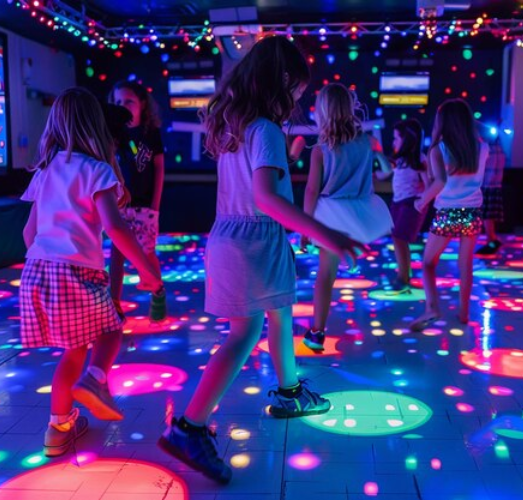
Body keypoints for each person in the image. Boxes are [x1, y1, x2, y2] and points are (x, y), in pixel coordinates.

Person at [158, 36, 364, 484]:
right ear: (283, 82)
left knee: (279, 316)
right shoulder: (267, 130)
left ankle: (290, 392)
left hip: (232, 237)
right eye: (297, 91)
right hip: (254, 240)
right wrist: (324, 231)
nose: (297, 101)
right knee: (246, 332)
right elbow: (266, 198)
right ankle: (189, 427)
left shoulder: (236, 124)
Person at [20, 88, 162, 457]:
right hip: (78, 271)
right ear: (96, 127)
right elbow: (116, 230)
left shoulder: (46, 170)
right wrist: (148, 270)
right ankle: (95, 380)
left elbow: (28, 233)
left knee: (72, 350)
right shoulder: (97, 170)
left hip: (37, 271)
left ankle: (58, 427)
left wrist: (46, 262)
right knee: (112, 329)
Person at [300, 83, 392, 350]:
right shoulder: (366, 143)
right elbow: (382, 174)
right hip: (360, 212)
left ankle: (317, 332)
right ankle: (349, 256)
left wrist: (305, 230)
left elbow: (311, 191)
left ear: (323, 112)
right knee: (338, 266)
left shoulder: (320, 149)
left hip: (330, 216)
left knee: (324, 276)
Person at [409, 99, 488, 331]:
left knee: (427, 263)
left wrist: (421, 201)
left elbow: (439, 181)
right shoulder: (482, 147)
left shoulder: (438, 149)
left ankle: (432, 307)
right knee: (466, 265)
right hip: (472, 213)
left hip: (447, 213)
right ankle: (463, 314)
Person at [108, 81, 166, 321]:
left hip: (144, 206)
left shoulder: (150, 133)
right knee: (117, 255)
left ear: (142, 104)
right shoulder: (114, 135)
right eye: (119, 102)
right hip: (120, 206)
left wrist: (155, 205)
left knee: (147, 251)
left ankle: (157, 291)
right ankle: (114, 306)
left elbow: (159, 168)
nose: (124, 106)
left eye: (129, 101)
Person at [378, 119, 429, 293]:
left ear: (407, 139)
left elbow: (429, 184)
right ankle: (405, 274)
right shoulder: (399, 160)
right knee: (398, 239)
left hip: (412, 203)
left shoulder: (420, 159)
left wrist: (421, 203)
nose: (393, 142)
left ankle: (403, 277)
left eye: (396, 138)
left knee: (400, 238)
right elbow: (383, 174)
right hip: (398, 202)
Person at [476, 135, 506, 255]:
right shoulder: (500, 149)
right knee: (489, 217)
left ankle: (492, 241)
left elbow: (488, 169)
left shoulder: (487, 149)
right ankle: (492, 241)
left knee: (487, 216)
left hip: (487, 186)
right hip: (495, 186)